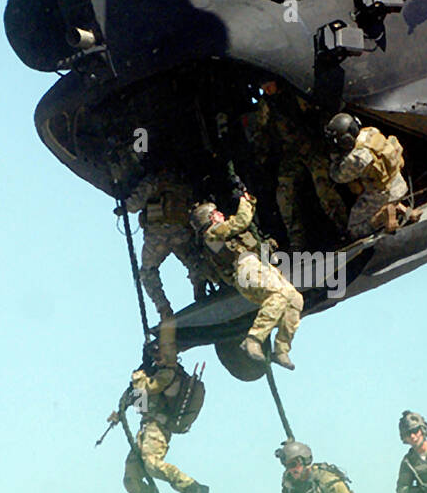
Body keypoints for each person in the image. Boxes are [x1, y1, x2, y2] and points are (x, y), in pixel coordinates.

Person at [114, 321, 209, 493]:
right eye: (153, 354)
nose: (156, 357)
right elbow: (136, 400)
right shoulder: (154, 373)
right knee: (131, 479)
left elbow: (143, 400)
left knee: (152, 464)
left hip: (158, 428)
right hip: (145, 428)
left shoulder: (168, 374)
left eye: (159, 353)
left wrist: (138, 378)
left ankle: (194, 488)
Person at [191, 193, 304, 369]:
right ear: (211, 218)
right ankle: (253, 340)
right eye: (217, 213)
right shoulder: (212, 233)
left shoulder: (215, 237)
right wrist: (246, 200)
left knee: (295, 298)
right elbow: (241, 221)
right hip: (246, 269)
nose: (221, 215)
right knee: (278, 296)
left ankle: (281, 349)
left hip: (256, 266)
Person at [259, 83, 348, 248]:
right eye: (263, 88)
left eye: (268, 86)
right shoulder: (268, 104)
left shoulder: (296, 92)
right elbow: (265, 132)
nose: (266, 90)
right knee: (284, 193)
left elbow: (319, 117)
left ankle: (343, 228)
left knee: (324, 188)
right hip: (292, 152)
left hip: (313, 146)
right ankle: (296, 241)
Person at [123, 168, 208, 319]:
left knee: (148, 271)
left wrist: (122, 207)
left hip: (157, 235)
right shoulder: (182, 180)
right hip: (180, 231)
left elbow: (133, 205)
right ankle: (199, 289)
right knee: (194, 260)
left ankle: (163, 308)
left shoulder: (152, 181)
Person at [326, 113, 408, 240]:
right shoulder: (370, 132)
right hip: (398, 183)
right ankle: (399, 208)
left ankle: (383, 215)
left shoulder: (356, 158)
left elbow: (336, 176)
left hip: (382, 193)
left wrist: (335, 155)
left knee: (354, 230)